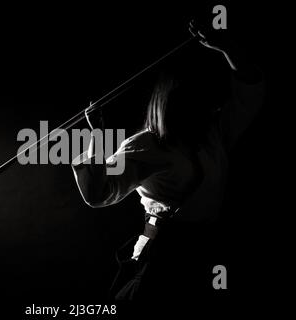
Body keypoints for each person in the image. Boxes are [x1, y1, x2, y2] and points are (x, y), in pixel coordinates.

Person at [71, 20, 264, 300]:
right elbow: (98, 192)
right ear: (171, 104)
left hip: (202, 253)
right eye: (191, 103)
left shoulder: (212, 134)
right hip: (162, 257)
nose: (206, 107)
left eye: (202, 102)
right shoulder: (145, 146)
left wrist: (227, 47)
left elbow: (251, 90)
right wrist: (97, 135)